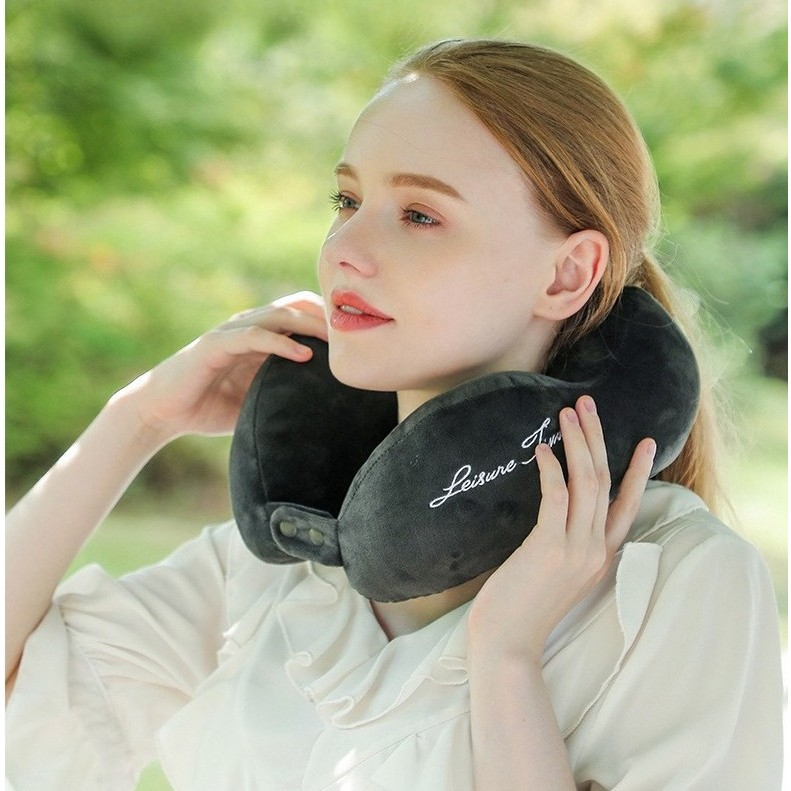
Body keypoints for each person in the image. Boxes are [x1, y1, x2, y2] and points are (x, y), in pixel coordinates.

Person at [6, 38, 783, 790]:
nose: (344, 247)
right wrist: (138, 418)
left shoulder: (675, 583)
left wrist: (504, 656)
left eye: (418, 215)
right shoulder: (289, 553)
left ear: (565, 274)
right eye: (347, 200)